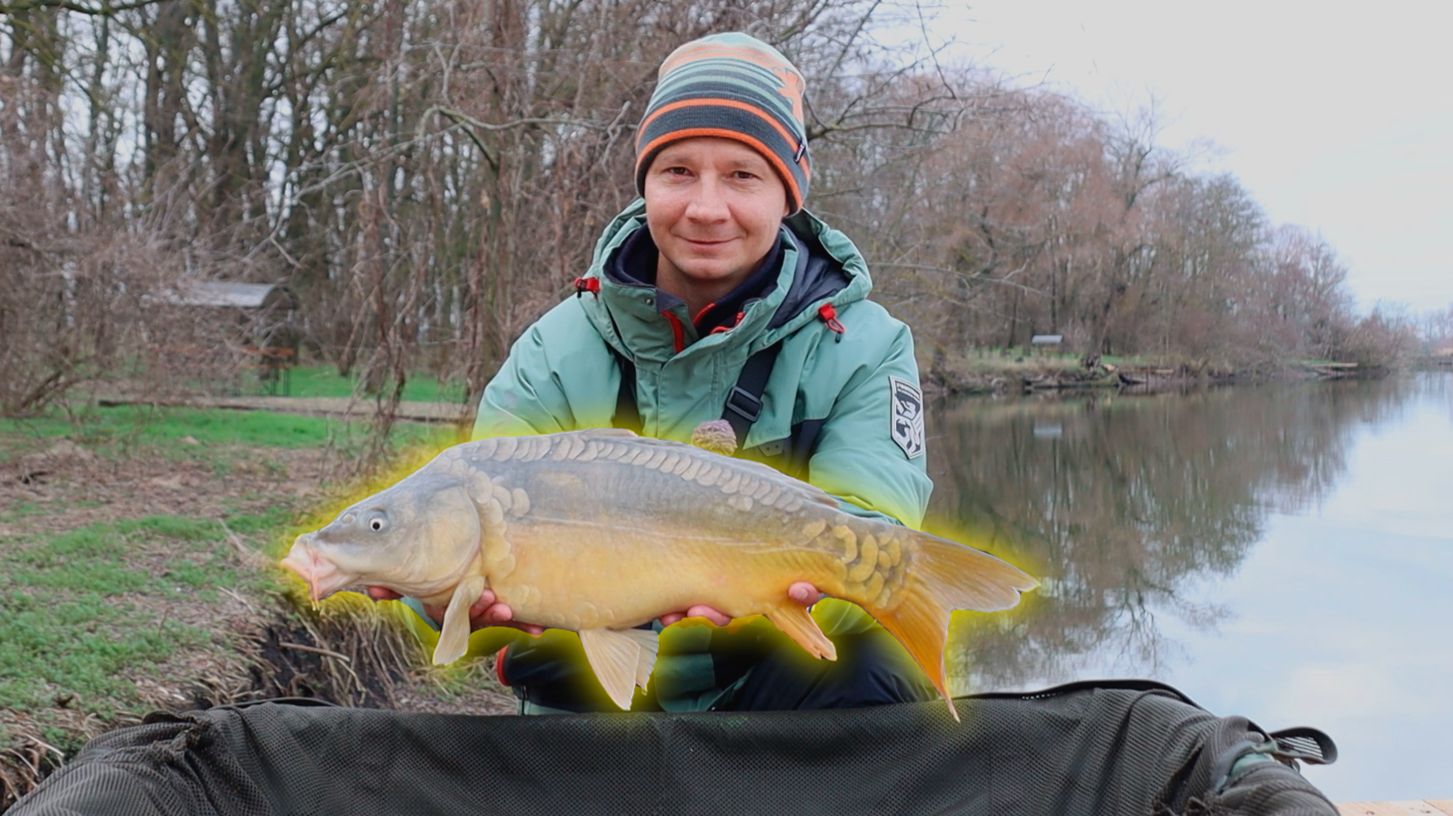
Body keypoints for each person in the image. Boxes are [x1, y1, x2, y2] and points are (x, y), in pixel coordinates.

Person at [374, 32, 936, 714]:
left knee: (879, 664)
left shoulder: (865, 345)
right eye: (676, 172)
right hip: (588, 688)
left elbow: (875, 526)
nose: (705, 207)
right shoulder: (554, 351)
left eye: (741, 175)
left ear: (787, 195)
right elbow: (444, 583)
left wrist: (755, 593)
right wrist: (439, 606)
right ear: (644, 183)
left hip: (779, 680)